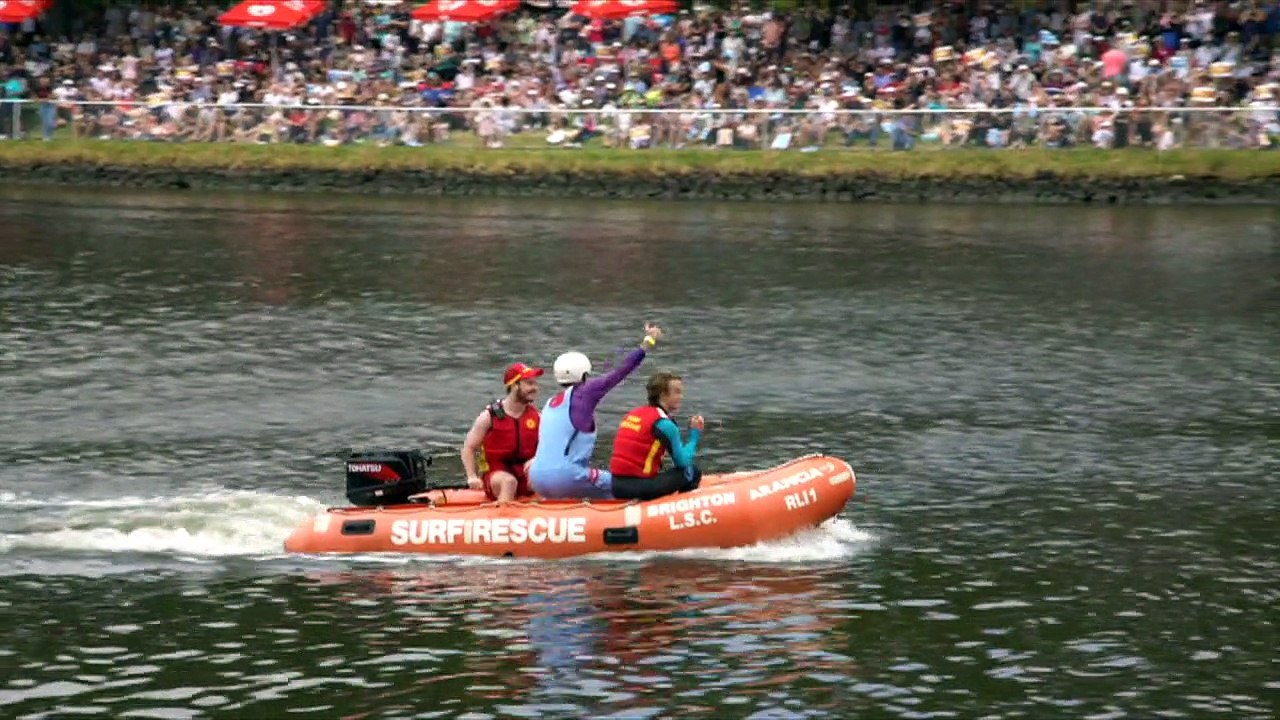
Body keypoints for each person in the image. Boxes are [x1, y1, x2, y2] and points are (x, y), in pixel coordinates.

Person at [528, 323, 663, 500]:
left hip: (537, 477)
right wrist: (648, 341)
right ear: (584, 375)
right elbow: (620, 371)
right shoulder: (586, 392)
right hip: (565, 477)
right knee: (620, 486)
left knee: (587, 479)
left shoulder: (549, 403)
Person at [609, 372, 705, 501]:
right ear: (663, 395)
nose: (681, 397)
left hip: (616, 486)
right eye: (676, 392)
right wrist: (694, 435)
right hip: (641, 487)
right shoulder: (664, 424)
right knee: (692, 471)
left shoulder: (633, 414)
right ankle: (680, 508)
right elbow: (682, 463)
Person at [460, 362, 544, 502]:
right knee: (509, 482)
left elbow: (550, 447)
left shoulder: (538, 417)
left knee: (543, 477)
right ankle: (503, 516)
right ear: (514, 385)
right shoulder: (489, 416)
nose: (535, 388)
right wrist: (472, 476)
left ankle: (546, 516)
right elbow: (468, 447)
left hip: (524, 472)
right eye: (529, 384)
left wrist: (538, 459)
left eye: (535, 384)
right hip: (496, 473)